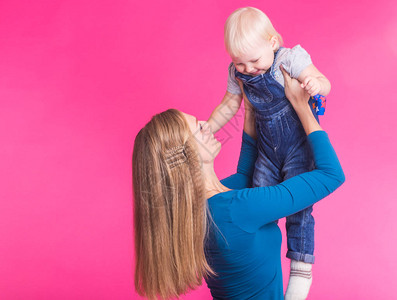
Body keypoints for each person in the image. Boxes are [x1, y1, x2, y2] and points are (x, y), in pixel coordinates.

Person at [132, 68, 344, 300]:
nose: (206, 124)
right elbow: (331, 174)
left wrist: (251, 106)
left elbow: (247, 173)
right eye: (197, 126)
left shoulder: (204, 209)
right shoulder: (235, 209)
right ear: (186, 154)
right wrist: (301, 106)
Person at [207, 7, 332, 299]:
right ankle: (264, 269)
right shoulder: (237, 73)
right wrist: (206, 130)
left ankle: (301, 271)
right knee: (261, 200)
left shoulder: (288, 59)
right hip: (267, 150)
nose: (249, 69)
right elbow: (229, 105)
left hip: (297, 147)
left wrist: (315, 85)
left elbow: (323, 81)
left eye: (254, 60)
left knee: (299, 209)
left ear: (273, 42)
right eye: (240, 63)